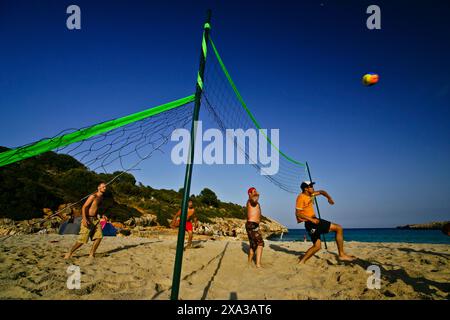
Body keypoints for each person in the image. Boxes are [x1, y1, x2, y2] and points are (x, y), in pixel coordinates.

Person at [295, 181, 355, 264]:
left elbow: (322, 192)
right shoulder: (301, 197)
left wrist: (329, 198)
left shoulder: (311, 194)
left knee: (317, 246)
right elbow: (298, 213)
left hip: (313, 221)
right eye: (311, 186)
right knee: (338, 228)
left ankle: (301, 262)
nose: (313, 187)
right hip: (311, 222)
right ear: (306, 188)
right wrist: (311, 219)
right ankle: (341, 255)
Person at [64, 182, 106, 259]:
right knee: (82, 240)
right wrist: (84, 219)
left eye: (105, 187)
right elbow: (84, 207)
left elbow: (96, 208)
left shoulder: (101, 197)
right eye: (103, 187)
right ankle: (70, 252)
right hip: (88, 219)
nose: (105, 188)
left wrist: (102, 215)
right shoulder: (93, 196)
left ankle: (91, 254)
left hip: (96, 220)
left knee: (99, 237)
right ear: (98, 188)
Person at [246, 187, 264, 268]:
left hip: (255, 225)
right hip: (251, 224)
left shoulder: (257, 203)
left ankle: (249, 263)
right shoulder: (250, 201)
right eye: (254, 191)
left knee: (253, 245)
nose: (256, 192)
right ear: (249, 194)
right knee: (260, 243)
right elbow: (254, 200)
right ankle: (258, 265)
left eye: (256, 191)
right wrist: (256, 194)